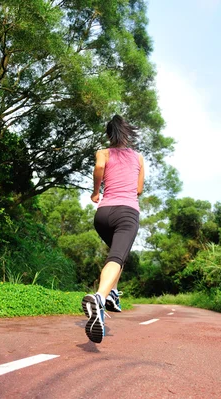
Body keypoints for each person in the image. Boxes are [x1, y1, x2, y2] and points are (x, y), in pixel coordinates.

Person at [81, 115, 144, 343]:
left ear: (109, 135)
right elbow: (138, 190)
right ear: (126, 134)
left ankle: (112, 295)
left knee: (116, 257)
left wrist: (96, 192)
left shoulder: (103, 153)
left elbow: (99, 167)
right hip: (126, 213)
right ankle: (100, 297)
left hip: (102, 215)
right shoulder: (138, 157)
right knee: (118, 257)